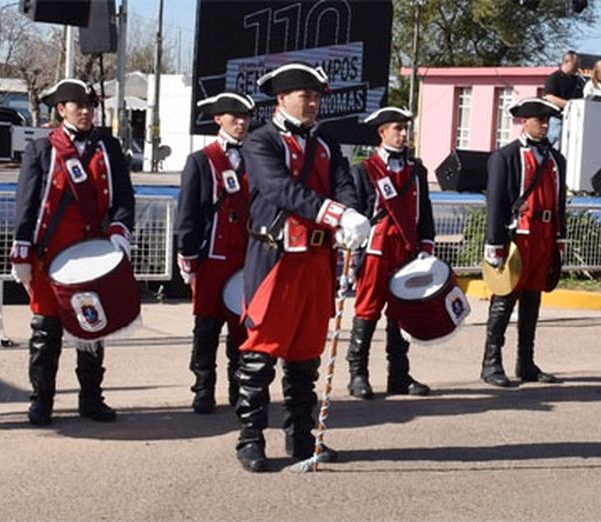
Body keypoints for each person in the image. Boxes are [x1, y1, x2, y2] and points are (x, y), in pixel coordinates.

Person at [232, 62, 370, 472]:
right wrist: (335, 214)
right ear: (281, 98)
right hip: (276, 260)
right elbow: (280, 189)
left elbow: (344, 183)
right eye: (303, 95)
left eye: (315, 96)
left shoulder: (326, 142)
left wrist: (350, 216)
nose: (311, 103)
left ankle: (301, 437)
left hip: (316, 259)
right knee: (260, 354)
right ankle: (250, 440)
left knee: (305, 357)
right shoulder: (260, 142)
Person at [11, 78, 132, 426]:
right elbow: (27, 203)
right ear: (61, 109)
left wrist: (120, 229)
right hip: (51, 253)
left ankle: (91, 399)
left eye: (89, 105)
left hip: (93, 252)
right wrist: (21, 250)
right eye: (77, 105)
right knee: (46, 331)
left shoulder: (108, 146)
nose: (85, 111)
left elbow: (123, 197)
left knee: (91, 328)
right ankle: (41, 400)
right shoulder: (42, 149)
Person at [345, 107, 436, 399]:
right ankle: (357, 374)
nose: (403, 134)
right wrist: (351, 258)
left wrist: (426, 245)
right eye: (397, 128)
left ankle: (399, 375)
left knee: (402, 312)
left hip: (406, 249)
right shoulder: (363, 170)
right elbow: (356, 214)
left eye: (406, 128)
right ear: (382, 132)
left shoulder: (416, 170)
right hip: (375, 250)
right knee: (368, 310)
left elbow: (425, 213)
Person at [175, 92, 255, 414]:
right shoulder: (201, 159)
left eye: (246, 116)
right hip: (212, 258)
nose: (241, 122)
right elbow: (188, 213)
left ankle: (240, 389)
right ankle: (203, 388)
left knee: (242, 331)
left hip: (247, 258)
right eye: (233, 116)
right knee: (206, 328)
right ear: (218, 119)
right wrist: (188, 254)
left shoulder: (257, 157)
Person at [481, 98, 569, 387]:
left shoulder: (556, 159)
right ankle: (491, 363)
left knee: (532, 301)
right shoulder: (505, 156)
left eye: (548, 120)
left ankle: (526, 363)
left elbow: (559, 203)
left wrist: (560, 237)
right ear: (524, 121)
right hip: (517, 237)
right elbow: (496, 203)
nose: (544, 125)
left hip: (544, 236)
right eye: (539, 120)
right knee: (504, 299)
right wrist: (494, 244)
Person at [541, 51, 582, 148]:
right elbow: (549, 97)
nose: (578, 67)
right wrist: (568, 104)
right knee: (553, 144)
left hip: (572, 120)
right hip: (557, 119)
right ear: (567, 62)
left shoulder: (577, 80)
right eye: (575, 64)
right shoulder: (554, 78)